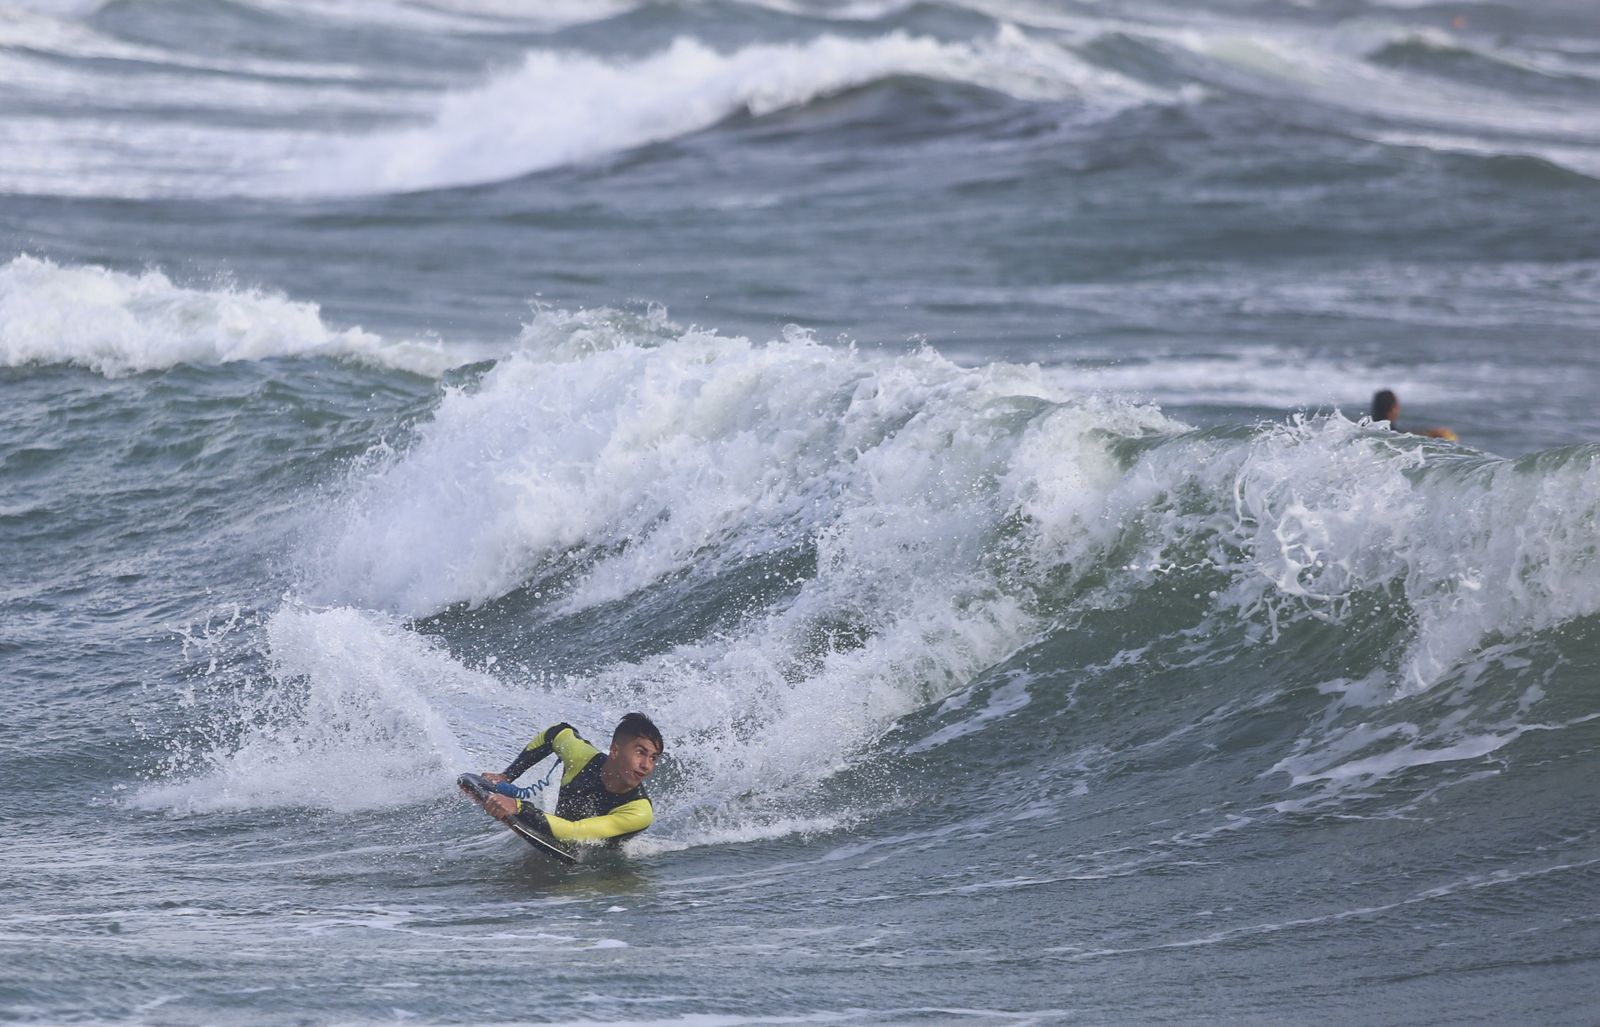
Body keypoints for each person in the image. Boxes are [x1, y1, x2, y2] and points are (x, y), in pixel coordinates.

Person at [478, 712, 662, 845]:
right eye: (640, 752)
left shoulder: (639, 811)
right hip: (559, 832)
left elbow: (574, 831)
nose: (646, 765)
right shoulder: (582, 757)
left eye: (653, 758)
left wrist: (518, 807)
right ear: (615, 750)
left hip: (596, 869)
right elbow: (558, 733)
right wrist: (507, 775)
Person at [1371, 389, 1456, 440]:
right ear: (1393, 409)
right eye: (1397, 406)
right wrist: (1432, 434)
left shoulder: (1369, 426)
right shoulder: (1389, 430)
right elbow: (1402, 436)